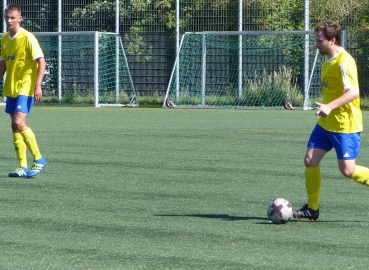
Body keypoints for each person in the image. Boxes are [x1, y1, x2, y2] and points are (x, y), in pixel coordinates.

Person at [293, 21, 369, 220]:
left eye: (319, 41)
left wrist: (329, 106)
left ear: (332, 40)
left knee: (348, 170)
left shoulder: (344, 62)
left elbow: (353, 92)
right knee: (310, 160)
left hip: (345, 125)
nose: (316, 44)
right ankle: (312, 208)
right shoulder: (327, 58)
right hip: (326, 124)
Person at [0, 3, 47, 178]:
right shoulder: (4, 39)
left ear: (20, 18)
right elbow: (3, 65)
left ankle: (39, 159)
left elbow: (41, 61)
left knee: (19, 123)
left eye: (13, 17)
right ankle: (22, 167)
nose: (9, 20)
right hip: (11, 87)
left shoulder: (28, 37)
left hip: (26, 86)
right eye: (7, 17)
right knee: (14, 126)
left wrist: (38, 85)